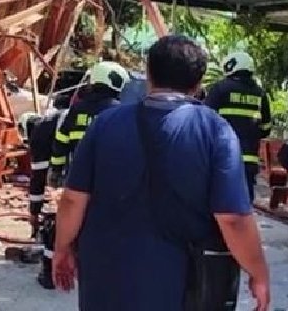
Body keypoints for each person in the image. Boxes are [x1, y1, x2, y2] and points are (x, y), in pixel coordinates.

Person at [53, 35, 270, 311]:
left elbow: (73, 199)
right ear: (198, 83)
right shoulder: (215, 130)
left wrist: (62, 247)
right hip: (177, 278)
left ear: (148, 74)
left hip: (105, 272)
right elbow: (234, 219)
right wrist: (258, 272)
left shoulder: (105, 124)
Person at [18, 95, 71, 290]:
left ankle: (49, 276)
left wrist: (34, 211)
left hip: (71, 178)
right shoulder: (56, 120)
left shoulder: (41, 131)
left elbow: (38, 178)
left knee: (53, 224)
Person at [204, 52, 272, 202]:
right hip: (249, 158)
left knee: (217, 200)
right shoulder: (261, 94)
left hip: (222, 156)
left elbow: (205, 120)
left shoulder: (220, 89)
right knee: (244, 202)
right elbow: (266, 128)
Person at [49, 61, 128, 183]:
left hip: (78, 175)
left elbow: (61, 140)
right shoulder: (120, 112)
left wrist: (56, 170)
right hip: (108, 176)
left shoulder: (77, 108)